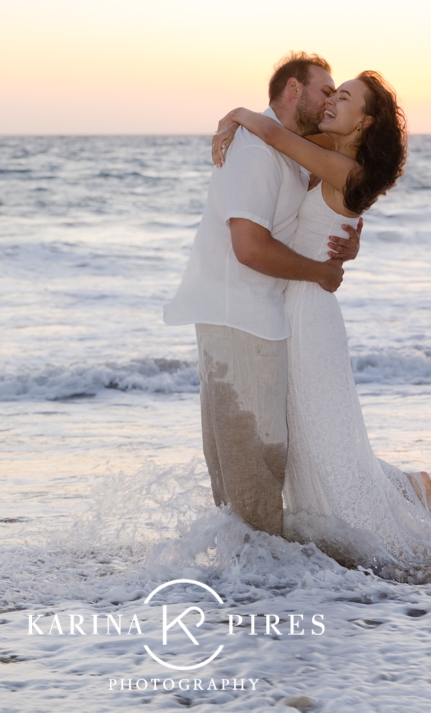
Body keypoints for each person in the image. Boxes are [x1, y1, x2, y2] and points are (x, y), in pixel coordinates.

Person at [211, 70, 431, 568]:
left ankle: (390, 514)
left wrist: (235, 114)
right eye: (332, 93)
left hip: (310, 312)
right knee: (314, 437)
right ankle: (407, 486)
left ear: (365, 121)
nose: (333, 102)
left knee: (325, 440)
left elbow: (274, 133)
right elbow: (285, 134)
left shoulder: (347, 169)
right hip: (297, 305)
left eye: (345, 98)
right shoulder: (334, 152)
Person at [164, 52, 358, 538]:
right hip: (241, 319)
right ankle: (258, 596)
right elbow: (249, 248)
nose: (331, 98)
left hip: (249, 316)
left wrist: (348, 236)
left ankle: (252, 591)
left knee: (244, 474)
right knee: (252, 472)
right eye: (324, 89)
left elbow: (326, 206)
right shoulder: (256, 151)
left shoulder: (287, 150)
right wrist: (319, 272)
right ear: (293, 89)